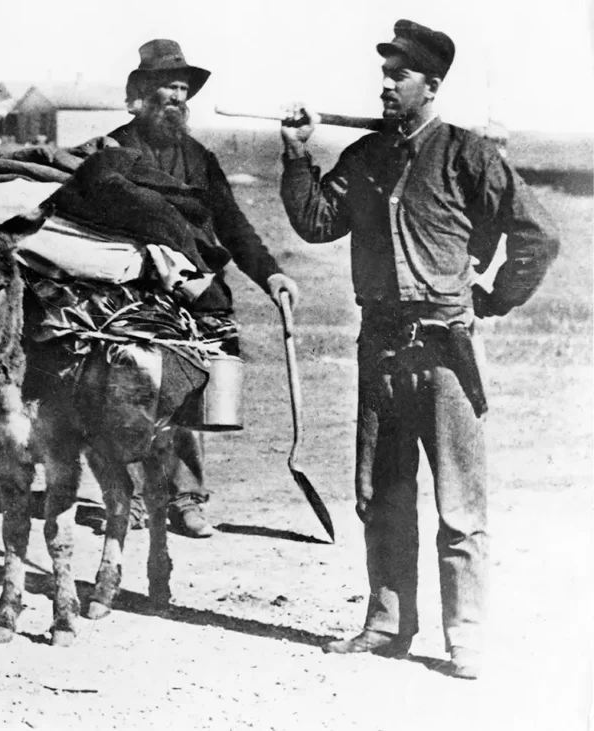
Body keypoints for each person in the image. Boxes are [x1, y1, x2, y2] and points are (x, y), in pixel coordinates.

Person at [279, 20, 559, 679]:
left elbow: (537, 236)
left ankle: (465, 638)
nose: (384, 83)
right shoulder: (368, 156)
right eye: (383, 72)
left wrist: (488, 300)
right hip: (379, 348)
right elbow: (318, 220)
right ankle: (386, 624)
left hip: (445, 352)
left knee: (460, 503)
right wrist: (296, 155)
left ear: (431, 85)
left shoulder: (468, 154)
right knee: (381, 493)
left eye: (397, 74)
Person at [94, 39, 300, 538]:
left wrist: (269, 273)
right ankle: (132, 500)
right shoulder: (112, 151)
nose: (176, 97)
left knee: (189, 396)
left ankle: (186, 500)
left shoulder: (200, 158)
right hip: (131, 295)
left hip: (195, 293)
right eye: (167, 86)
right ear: (139, 94)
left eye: (183, 89)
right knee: (126, 396)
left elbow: (232, 223)